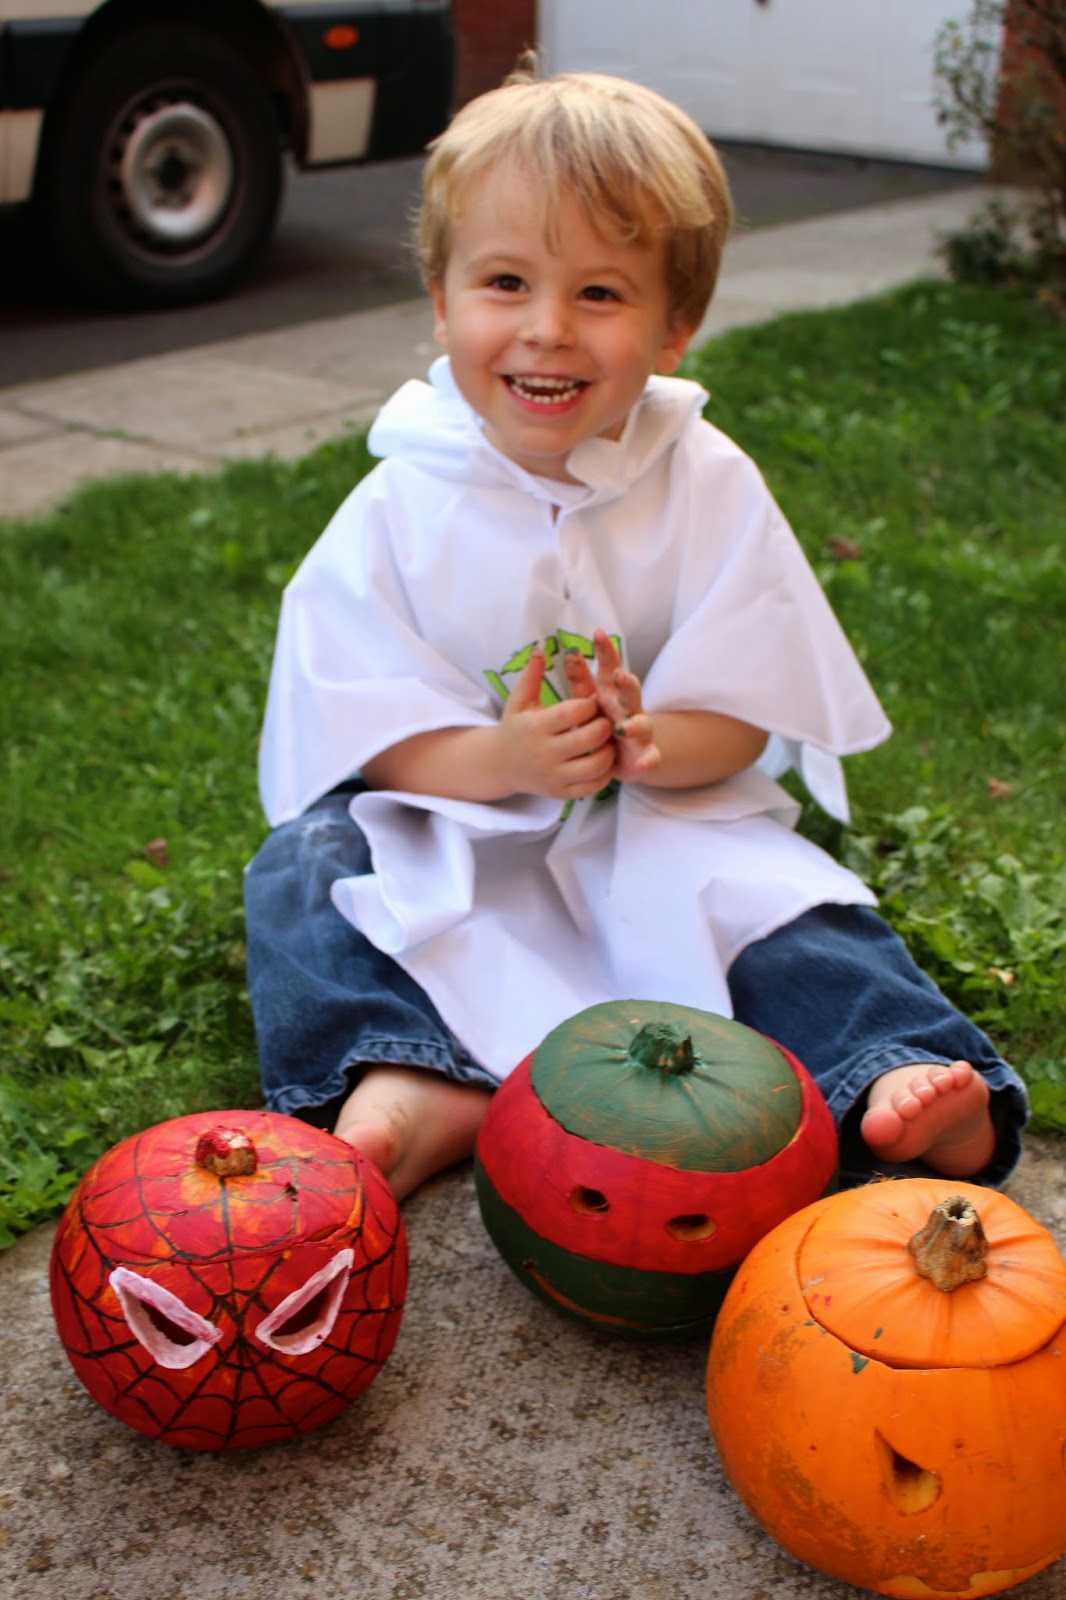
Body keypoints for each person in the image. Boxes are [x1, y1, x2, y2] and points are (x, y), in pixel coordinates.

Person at [245, 65, 1027, 1202]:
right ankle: (399, 1071)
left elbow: (746, 704)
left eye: (601, 294)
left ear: (676, 323)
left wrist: (663, 742)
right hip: (455, 817)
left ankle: (885, 1071)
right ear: (439, 295)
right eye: (505, 282)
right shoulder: (401, 499)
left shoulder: (702, 477)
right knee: (310, 867)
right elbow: (362, 724)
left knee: (780, 906)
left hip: (658, 820)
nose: (546, 331)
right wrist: (503, 762)